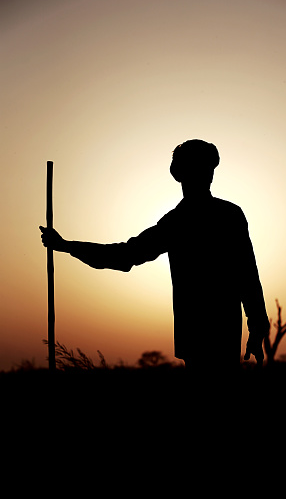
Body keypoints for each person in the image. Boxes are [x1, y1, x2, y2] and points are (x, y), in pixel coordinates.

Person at [40, 139, 270, 376]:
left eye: (206, 169)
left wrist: (67, 246)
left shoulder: (186, 221)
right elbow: (125, 255)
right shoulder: (211, 217)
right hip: (214, 334)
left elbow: (247, 275)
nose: (205, 175)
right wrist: (67, 246)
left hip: (207, 335)